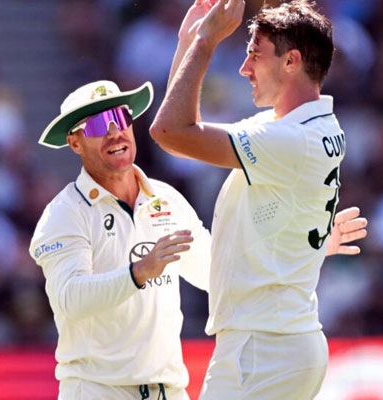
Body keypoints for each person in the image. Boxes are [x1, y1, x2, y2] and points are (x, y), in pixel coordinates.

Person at [30, 78, 366, 398]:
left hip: (169, 390)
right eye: (98, 125)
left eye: (120, 116)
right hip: (96, 391)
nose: (115, 132)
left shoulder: (166, 199)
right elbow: (68, 300)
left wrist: (305, 246)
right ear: (74, 142)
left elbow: (219, 272)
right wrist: (139, 272)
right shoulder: (65, 212)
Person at [150, 0, 361, 398]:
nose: (244, 69)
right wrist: (188, 41)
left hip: (264, 348)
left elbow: (169, 133)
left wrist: (207, 43)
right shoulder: (300, 124)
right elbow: (180, 130)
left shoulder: (288, 138)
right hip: (278, 342)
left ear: (291, 61)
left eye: (254, 55)